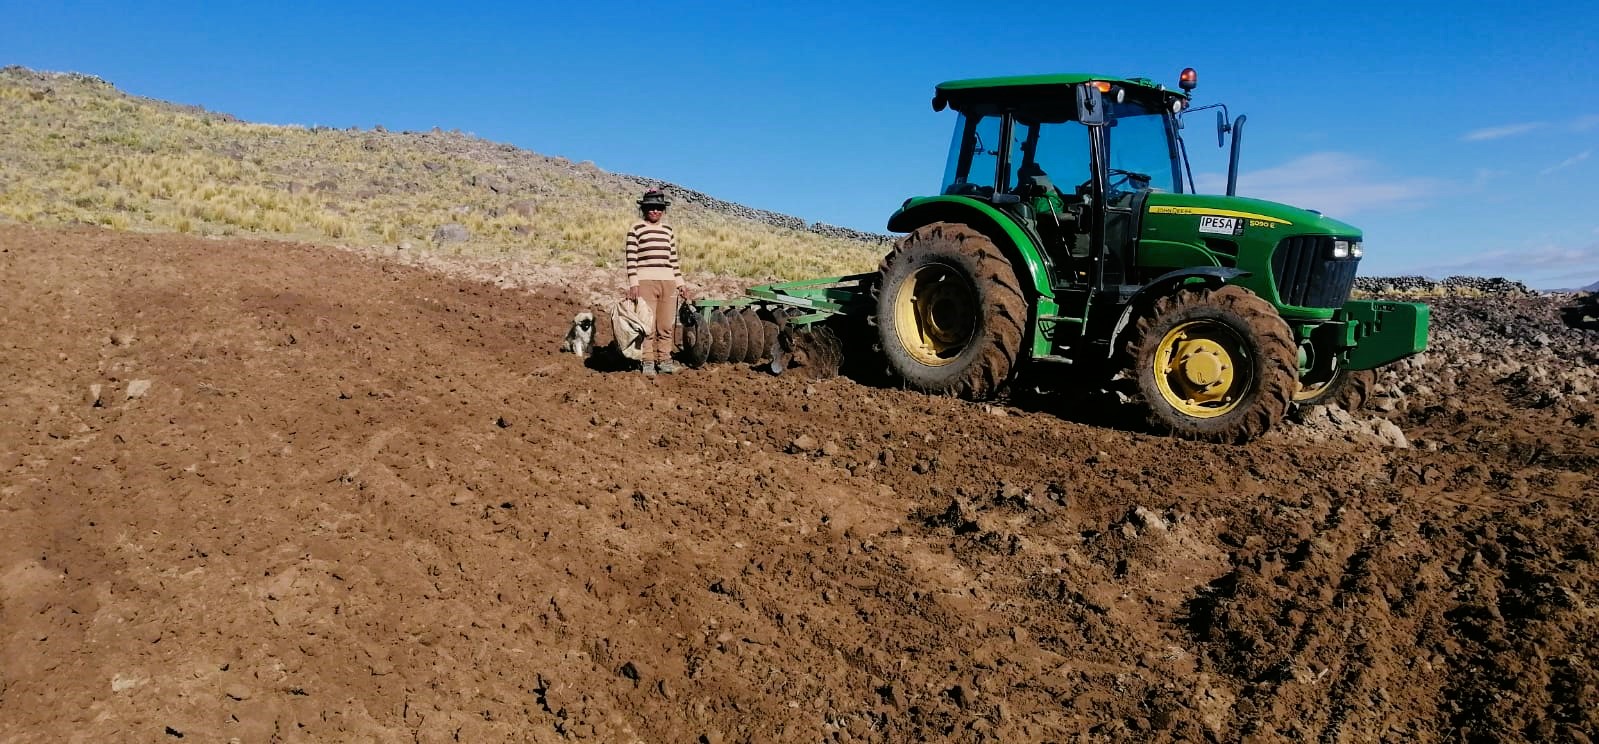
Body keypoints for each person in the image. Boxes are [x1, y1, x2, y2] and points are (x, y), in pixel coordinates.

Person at [624, 189, 691, 376]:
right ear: (644, 209)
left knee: (665, 325)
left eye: (658, 208)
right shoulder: (636, 229)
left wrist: (681, 284)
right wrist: (634, 283)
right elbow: (631, 258)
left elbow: (673, 260)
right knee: (648, 324)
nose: (655, 211)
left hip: (668, 282)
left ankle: (665, 360)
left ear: (663, 210)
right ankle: (647, 361)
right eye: (651, 207)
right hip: (645, 282)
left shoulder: (668, 231)